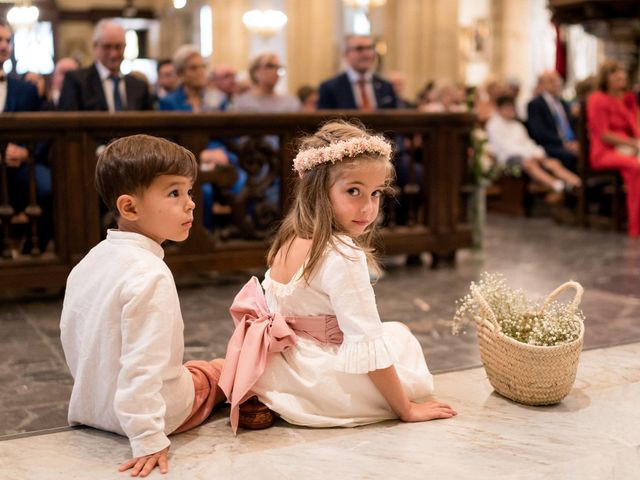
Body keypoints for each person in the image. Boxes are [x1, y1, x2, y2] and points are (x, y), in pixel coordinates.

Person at [219, 120, 456, 433]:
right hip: (321, 379)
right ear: (317, 189)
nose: (368, 208)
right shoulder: (343, 254)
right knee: (401, 341)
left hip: (282, 369)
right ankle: (311, 401)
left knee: (394, 333)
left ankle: (270, 397)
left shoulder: (289, 238)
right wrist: (406, 409)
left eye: (375, 193)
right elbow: (365, 339)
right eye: (353, 191)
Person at [60, 135, 226, 477]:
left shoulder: (90, 261)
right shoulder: (150, 274)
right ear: (130, 207)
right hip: (148, 416)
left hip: (92, 406)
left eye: (189, 191)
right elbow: (141, 367)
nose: (190, 204)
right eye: (174, 193)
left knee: (189, 367)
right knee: (224, 369)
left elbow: (75, 339)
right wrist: (149, 439)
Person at [0, 18, 52, 254]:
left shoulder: (26, 89)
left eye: (8, 41)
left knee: (50, 188)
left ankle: (37, 251)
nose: (4, 46)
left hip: (21, 166)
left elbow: (42, 131)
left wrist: (26, 152)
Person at [486, 95, 581, 201]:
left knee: (552, 162)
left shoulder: (517, 125)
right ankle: (558, 186)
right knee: (529, 164)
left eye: (511, 107)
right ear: (500, 109)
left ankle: (577, 183)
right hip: (508, 158)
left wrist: (537, 153)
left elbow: (528, 143)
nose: (510, 110)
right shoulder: (494, 125)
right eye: (507, 107)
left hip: (528, 154)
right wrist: (530, 155)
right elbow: (504, 147)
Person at [587, 59, 640, 237]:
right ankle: (635, 227)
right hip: (604, 151)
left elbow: (634, 129)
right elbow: (603, 134)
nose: (621, 76)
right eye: (615, 73)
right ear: (606, 78)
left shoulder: (627, 99)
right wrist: (633, 144)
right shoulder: (597, 99)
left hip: (628, 148)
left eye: (621, 72)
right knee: (636, 167)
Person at [58, 19, 152, 111]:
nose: (113, 54)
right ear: (95, 46)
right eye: (107, 47)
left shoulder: (139, 86)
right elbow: (68, 122)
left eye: (118, 47)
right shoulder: (77, 82)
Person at [317, 34, 398, 110]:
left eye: (370, 48)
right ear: (346, 54)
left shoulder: (386, 86)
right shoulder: (329, 88)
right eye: (359, 49)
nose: (366, 53)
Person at [527, 71, 578, 172]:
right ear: (541, 85)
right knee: (568, 156)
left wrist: (575, 142)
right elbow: (539, 132)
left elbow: (572, 126)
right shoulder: (535, 104)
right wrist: (564, 143)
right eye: (551, 81)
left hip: (571, 142)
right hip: (551, 145)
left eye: (557, 80)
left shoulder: (563, 103)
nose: (556, 83)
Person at [233, 52, 300, 113]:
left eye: (279, 68)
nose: (275, 71)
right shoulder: (241, 102)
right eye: (269, 66)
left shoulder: (290, 102)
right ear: (255, 72)